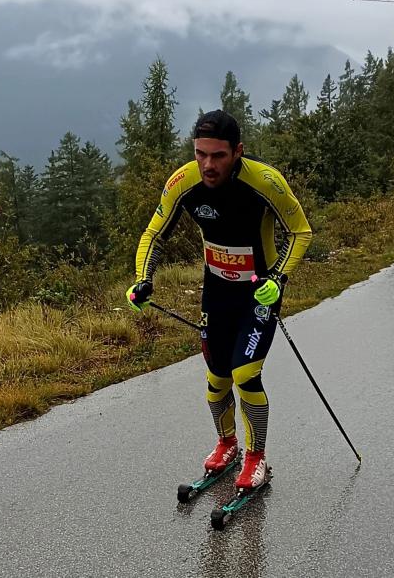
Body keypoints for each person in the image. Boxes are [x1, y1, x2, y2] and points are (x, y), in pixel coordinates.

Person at [126, 110, 312, 491]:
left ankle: (256, 456)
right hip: (217, 291)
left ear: (238, 151)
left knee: (245, 374)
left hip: (258, 293)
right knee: (216, 378)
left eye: (218, 156)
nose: (208, 165)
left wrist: (278, 277)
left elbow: (300, 231)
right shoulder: (184, 181)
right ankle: (227, 444)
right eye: (200, 154)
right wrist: (143, 280)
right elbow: (154, 234)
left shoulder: (264, 182)